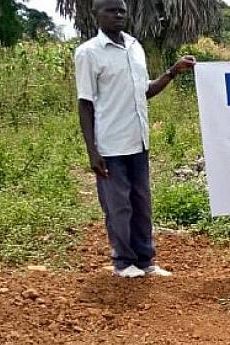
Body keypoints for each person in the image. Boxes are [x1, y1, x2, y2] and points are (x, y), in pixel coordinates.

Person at [74, 0, 195, 278]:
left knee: (142, 203)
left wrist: (173, 72)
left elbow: (145, 91)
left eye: (122, 11)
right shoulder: (89, 53)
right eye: (111, 10)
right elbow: (85, 104)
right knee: (118, 206)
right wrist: (92, 151)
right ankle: (123, 262)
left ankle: (146, 261)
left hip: (138, 141)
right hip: (110, 144)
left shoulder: (134, 47)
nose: (118, 15)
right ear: (96, 14)